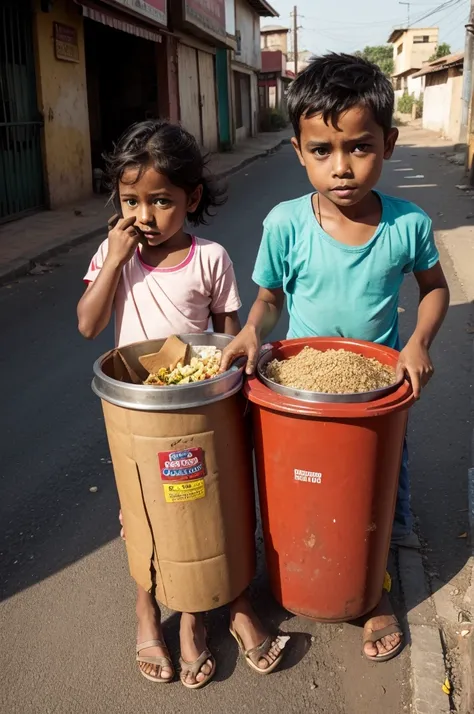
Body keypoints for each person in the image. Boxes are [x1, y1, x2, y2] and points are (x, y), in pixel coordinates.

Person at [220, 53, 450, 662]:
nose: (341, 168)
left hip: (376, 387)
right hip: (301, 385)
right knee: (303, 487)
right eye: (322, 150)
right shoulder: (286, 223)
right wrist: (249, 331)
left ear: (389, 144)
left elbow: (435, 289)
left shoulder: (408, 223)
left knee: (379, 488)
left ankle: (375, 589)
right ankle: (297, 568)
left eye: (359, 148)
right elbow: (269, 299)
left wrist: (417, 343)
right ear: (297, 150)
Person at [77, 120, 287, 688]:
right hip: (137, 415)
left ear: (191, 198)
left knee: (206, 508)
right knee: (145, 513)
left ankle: (207, 612)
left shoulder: (209, 258)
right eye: (130, 201)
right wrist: (115, 260)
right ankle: (149, 613)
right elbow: (88, 323)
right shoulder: (113, 254)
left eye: (161, 201)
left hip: (199, 412)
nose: (144, 216)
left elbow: (226, 341)